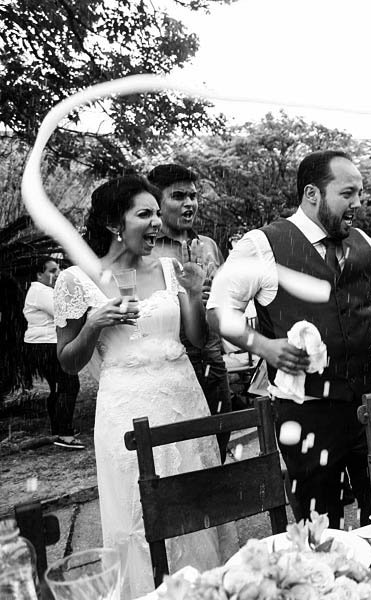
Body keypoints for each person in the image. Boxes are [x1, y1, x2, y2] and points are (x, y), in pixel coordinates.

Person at [54, 175, 236, 599]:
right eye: (145, 214)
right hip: (126, 412)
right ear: (113, 223)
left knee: (195, 504)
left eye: (157, 212)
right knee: (140, 516)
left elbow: (194, 339)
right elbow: (68, 362)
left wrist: (193, 295)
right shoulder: (76, 280)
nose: (157, 222)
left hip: (184, 403)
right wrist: (94, 324)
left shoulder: (170, 268)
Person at [208, 150, 371, 528]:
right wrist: (265, 347)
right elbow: (217, 311)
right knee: (319, 526)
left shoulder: (362, 241)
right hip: (306, 411)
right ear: (312, 194)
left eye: (360, 193)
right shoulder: (261, 245)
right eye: (348, 193)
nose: (358, 203)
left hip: (370, 399)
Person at [147, 163, 231, 461]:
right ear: (157, 203)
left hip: (213, 361)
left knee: (218, 447)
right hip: (171, 366)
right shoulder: (146, 251)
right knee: (181, 457)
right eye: (178, 196)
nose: (189, 203)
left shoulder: (208, 245)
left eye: (193, 196)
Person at [23, 256, 83, 449]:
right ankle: (64, 434)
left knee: (58, 387)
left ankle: (59, 430)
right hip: (46, 345)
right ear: (39, 275)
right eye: (52, 271)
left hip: (41, 345)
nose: (57, 274)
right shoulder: (41, 291)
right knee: (69, 385)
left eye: (58, 269)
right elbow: (64, 313)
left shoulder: (41, 290)